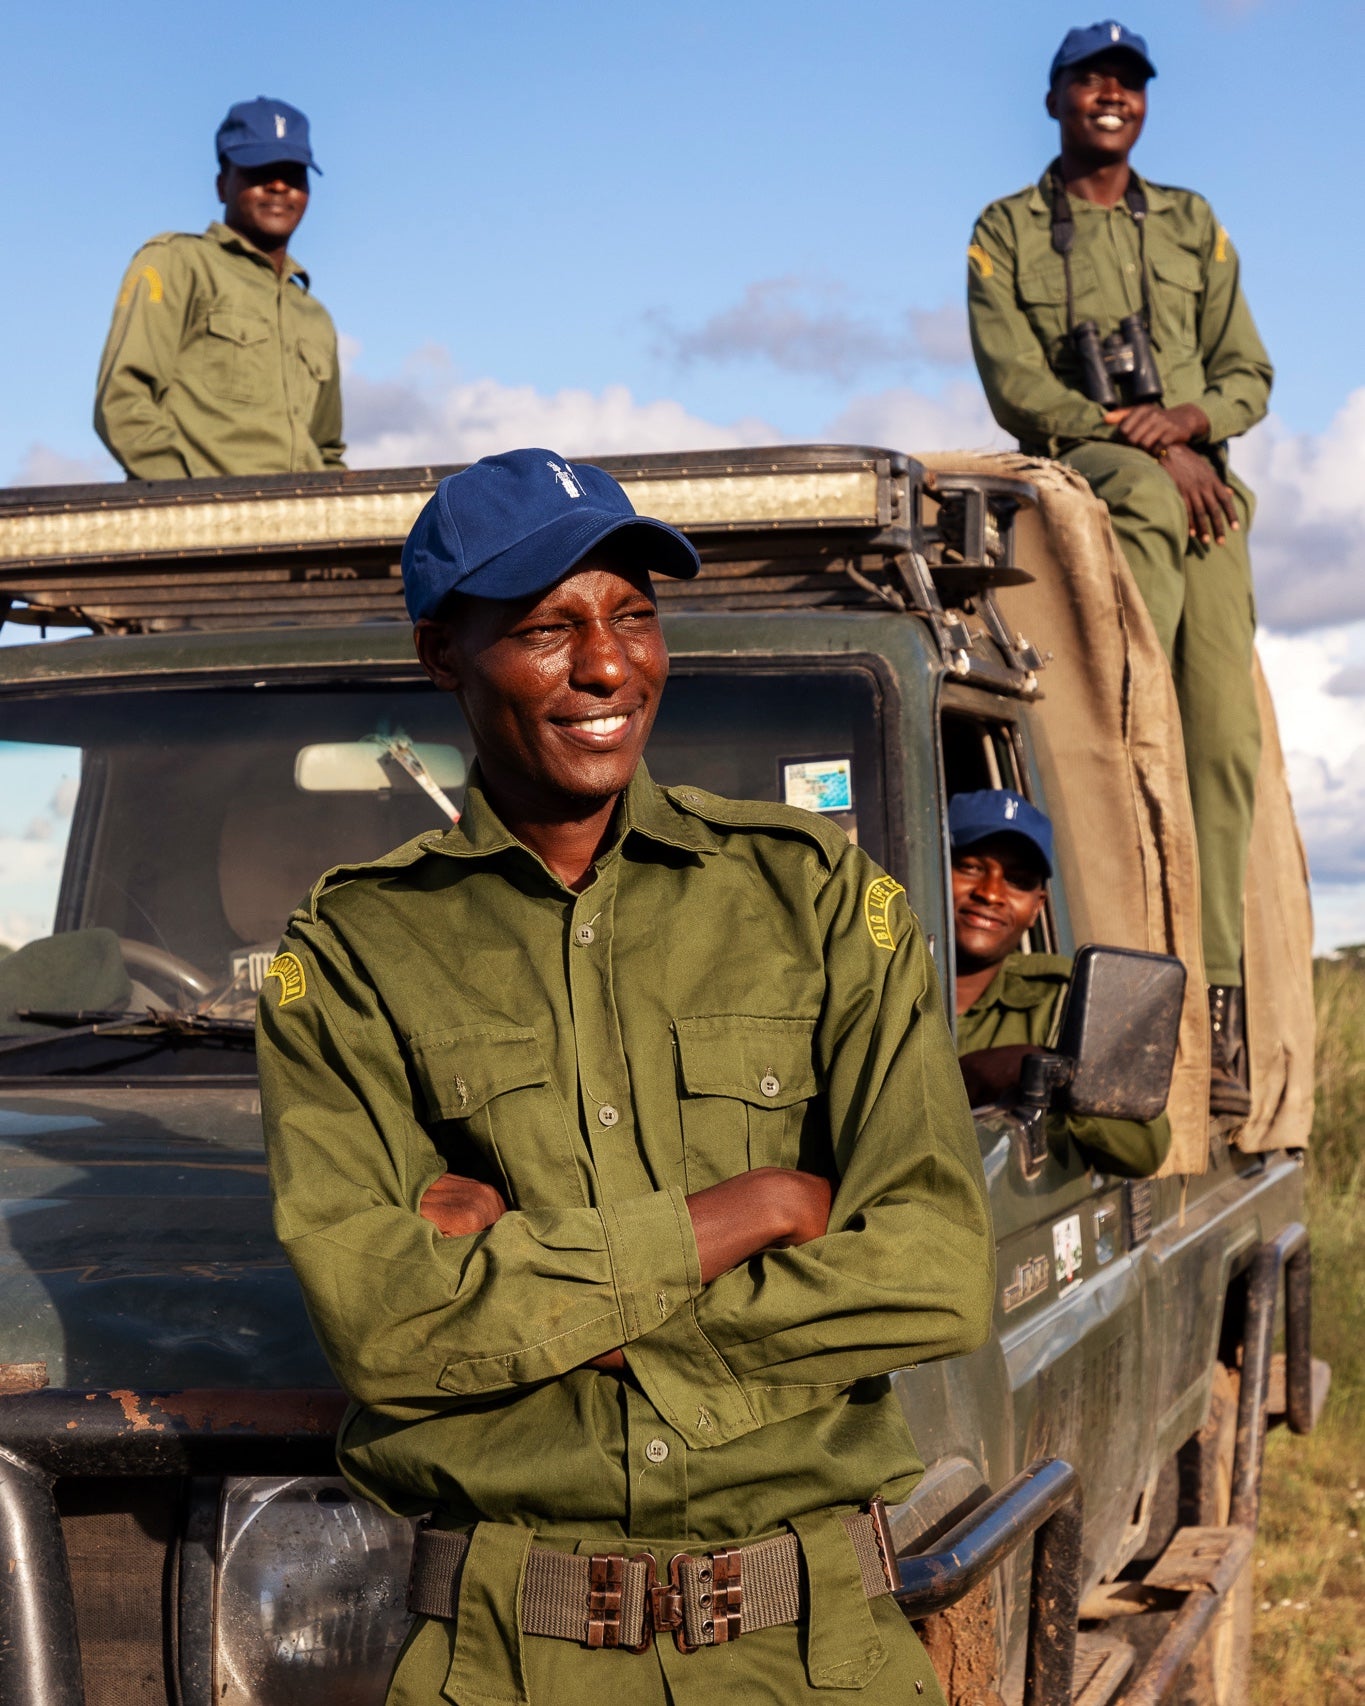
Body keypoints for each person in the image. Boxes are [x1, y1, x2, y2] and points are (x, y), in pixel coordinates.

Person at [257, 448, 993, 1705]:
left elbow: (935, 1273)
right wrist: (742, 1215)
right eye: (548, 626)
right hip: (505, 1657)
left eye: (634, 614)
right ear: (444, 655)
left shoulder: (814, 896)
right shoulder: (349, 954)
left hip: (812, 1649)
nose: (607, 665)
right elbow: (386, 1327)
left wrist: (533, 1295)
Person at [966, 20, 1272, 1117]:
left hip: (1205, 501)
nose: (1111, 95)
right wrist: (1138, 432)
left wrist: (1189, 420)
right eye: (1091, 80)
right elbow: (1017, 387)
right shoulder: (1006, 230)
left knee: (1221, 751)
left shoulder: (1193, 223)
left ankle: (1221, 1006)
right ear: (1054, 100)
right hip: (1102, 472)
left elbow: (1250, 372)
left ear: (1144, 104)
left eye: (1128, 82)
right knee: (1142, 496)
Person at [95, 97, 344, 479]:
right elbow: (124, 401)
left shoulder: (315, 317)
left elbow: (327, 449)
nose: (279, 185)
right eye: (260, 171)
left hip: (303, 528)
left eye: (293, 174)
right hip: (204, 526)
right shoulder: (177, 263)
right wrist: (194, 506)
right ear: (221, 185)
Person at [951, 789, 1170, 1177]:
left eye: (1017, 881)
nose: (990, 892)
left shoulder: (1066, 1001)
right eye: (969, 867)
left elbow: (1146, 1147)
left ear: (1037, 907)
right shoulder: (875, 985)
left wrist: (1050, 1073)